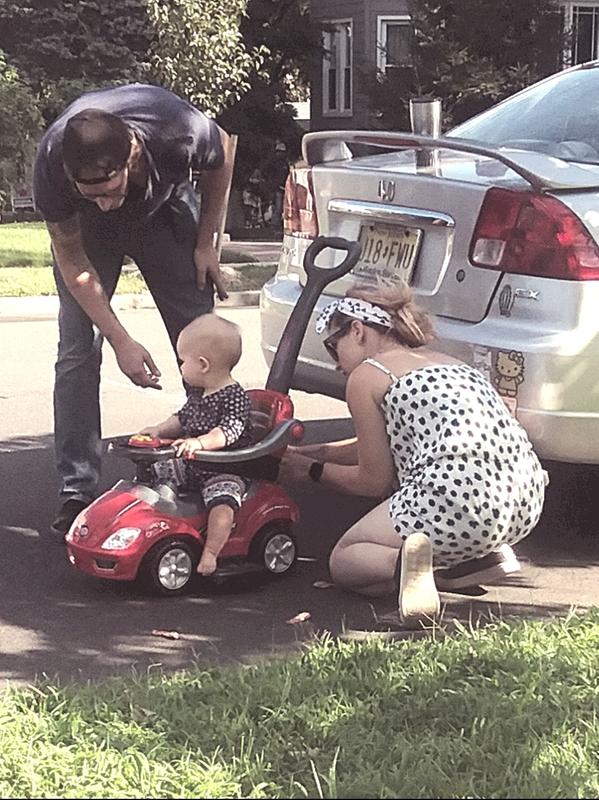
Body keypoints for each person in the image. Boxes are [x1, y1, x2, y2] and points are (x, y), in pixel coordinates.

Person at [32, 83, 235, 539]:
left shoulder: (172, 131)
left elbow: (222, 148)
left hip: (164, 210)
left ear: (131, 156)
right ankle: (77, 489)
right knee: (78, 349)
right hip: (90, 238)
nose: (104, 201)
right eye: (91, 193)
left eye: (109, 188)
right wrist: (121, 339)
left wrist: (207, 241)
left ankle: (212, 469)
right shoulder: (52, 164)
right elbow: (72, 259)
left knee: (201, 338)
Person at [280, 283, 546, 627]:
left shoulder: (367, 375)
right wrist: (312, 452)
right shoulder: (448, 361)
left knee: (346, 559)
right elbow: (383, 445)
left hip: (459, 497)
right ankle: (474, 557)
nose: (336, 364)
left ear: (358, 331)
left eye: (334, 346)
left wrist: (311, 471)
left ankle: (413, 568)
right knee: (446, 515)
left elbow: (372, 478)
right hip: (523, 496)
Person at [139, 314, 252, 575]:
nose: (180, 367)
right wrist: (157, 430)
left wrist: (199, 443)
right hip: (194, 461)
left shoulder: (235, 397)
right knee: (153, 468)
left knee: (222, 501)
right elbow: (181, 418)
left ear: (203, 365)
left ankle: (211, 552)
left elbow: (228, 432)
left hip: (225, 467)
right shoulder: (198, 393)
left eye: (182, 361)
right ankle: (158, 518)